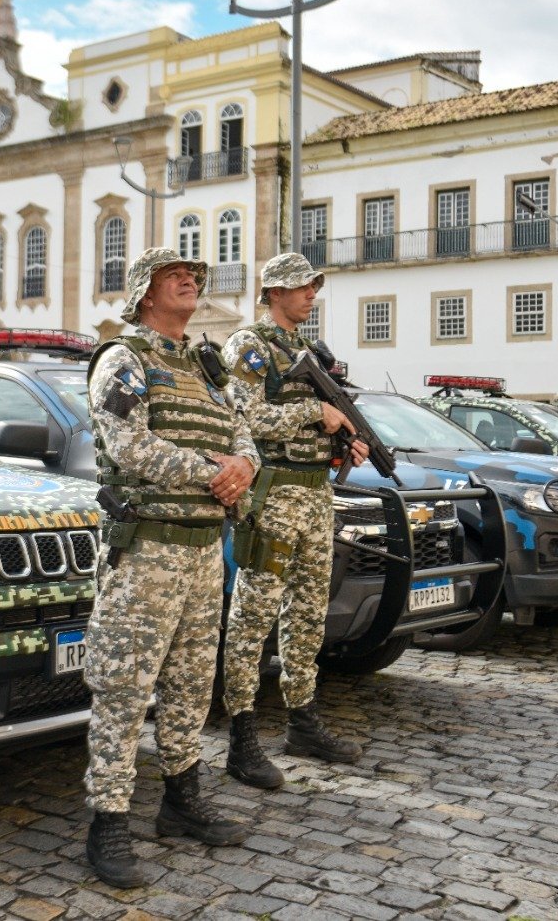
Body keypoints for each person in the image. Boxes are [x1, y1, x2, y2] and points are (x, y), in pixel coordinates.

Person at [82, 248, 261, 888]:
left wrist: (246, 466)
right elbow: (129, 446)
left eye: (193, 276)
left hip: (205, 548)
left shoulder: (207, 366)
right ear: (143, 294)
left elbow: (242, 430)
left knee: (191, 681)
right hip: (147, 551)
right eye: (172, 276)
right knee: (125, 687)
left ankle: (182, 800)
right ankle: (107, 821)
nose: (189, 280)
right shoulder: (124, 360)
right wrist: (215, 472)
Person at [219, 253, 369, 791]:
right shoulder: (249, 345)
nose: (311, 295)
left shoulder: (306, 352)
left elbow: (316, 424)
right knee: (253, 616)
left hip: (314, 493)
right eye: (302, 287)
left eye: (313, 287)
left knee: (307, 615)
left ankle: (302, 721)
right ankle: (241, 736)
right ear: (274, 293)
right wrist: (314, 413)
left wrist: (345, 440)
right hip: (273, 494)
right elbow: (244, 416)